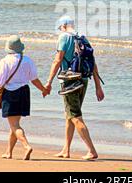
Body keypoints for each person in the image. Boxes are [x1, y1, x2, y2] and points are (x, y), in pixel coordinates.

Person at [45, 15, 105, 160]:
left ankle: (91, 150)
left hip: (70, 81)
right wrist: (98, 86)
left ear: (64, 26)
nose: (60, 30)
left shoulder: (64, 37)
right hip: (84, 80)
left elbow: (57, 60)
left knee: (75, 116)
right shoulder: (82, 37)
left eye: (60, 28)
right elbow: (93, 63)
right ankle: (66, 150)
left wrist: (48, 82)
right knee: (70, 116)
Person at [0, 35, 49, 160]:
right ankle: (9, 152)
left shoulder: (4, 61)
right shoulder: (27, 60)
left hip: (10, 93)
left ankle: (26, 146)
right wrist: (43, 90)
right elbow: (34, 79)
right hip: (24, 92)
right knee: (15, 124)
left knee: (14, 126)